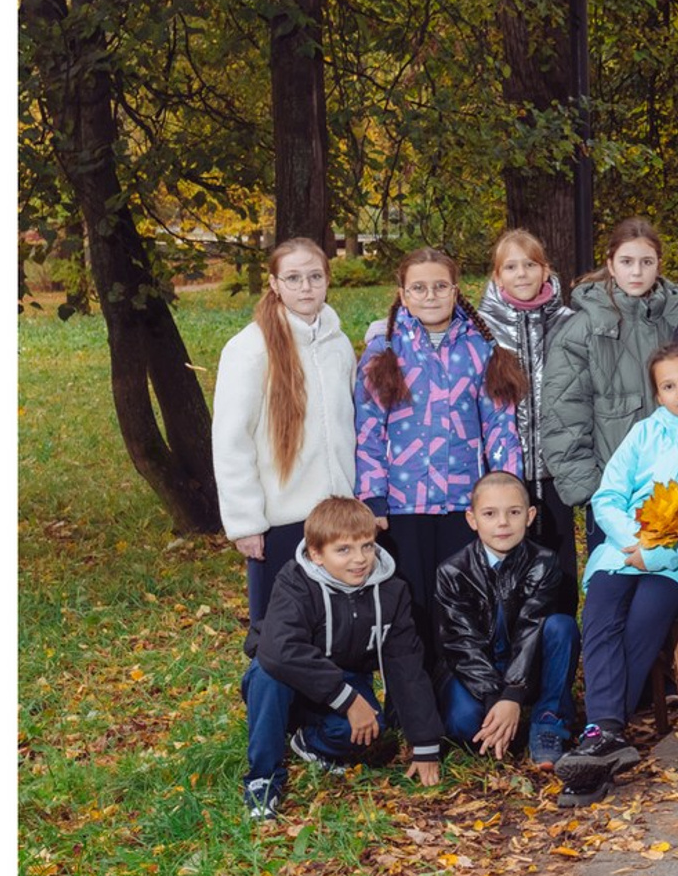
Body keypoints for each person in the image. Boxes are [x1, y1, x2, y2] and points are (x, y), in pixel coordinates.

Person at [244, 489, 444, 824]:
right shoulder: (295, 581)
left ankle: (310, 741)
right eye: (344, 550)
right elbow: (280, 650)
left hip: (344, 680)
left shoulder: (392, 591)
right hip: (288, 683)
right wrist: (349, 700)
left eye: (367, 545)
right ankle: (263, 778)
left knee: (373, 730)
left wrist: (425, 743)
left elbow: (406, 664)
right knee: (267, 671)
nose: (360, 559)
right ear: (317, 554)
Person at [354, 243, 528, 610]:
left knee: (460, 603)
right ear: (403, 294)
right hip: (403, 504)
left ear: (455, 291)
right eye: (419, 288)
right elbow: (368, 433)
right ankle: (413, 670)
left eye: (440, 286)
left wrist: (507, 492)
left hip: (463, 503)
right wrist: (373, 498)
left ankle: (458, 669)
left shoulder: (481, 350)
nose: (430, 295)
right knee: (410, 602)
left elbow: (500, 428)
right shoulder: (383, 352)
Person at [214, 236, 359, 643]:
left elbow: (350, 426)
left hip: (336, 519)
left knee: (334, 632)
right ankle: (274, 708)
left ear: (328, 280)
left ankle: (335, 707)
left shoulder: (339, 345)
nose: (306, 287)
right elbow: (231, 440)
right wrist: (246, 522)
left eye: (314, 276)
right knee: (280, 638)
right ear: (275, 284)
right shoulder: (249, 348)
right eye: (293, 278)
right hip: (281, 520)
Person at [563, 335, 678, 792]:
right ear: (657, 393)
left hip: (669, 564)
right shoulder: (645, 433)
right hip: (621, 550)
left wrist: (656, 554)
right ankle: (608, 734)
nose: (677, 394)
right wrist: (633, 542)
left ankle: (601, 733)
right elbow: (608, 496)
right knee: (601, 617)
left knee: (642, 625)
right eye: (669, 386)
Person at [538, 214, 678, 556]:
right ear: (610, 265)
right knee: (617, 590)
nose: (636, 272)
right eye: (627, 261)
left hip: (673, 493)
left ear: (659, 265)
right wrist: (594, 493)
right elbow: (563, 418)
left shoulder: (674, 322)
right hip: (615, 496)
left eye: (646, 262)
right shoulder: (582, 331)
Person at [429, 467, 577, 772]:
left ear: (530, 515)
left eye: (513, 512)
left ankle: (548, 723)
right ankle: (501, 721)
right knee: (463, 725)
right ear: (472, 519)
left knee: (561, 626)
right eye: (490, 514)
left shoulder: (545, 563)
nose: (502, 523)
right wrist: (497, 699)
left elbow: (531, 627)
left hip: (525, 664)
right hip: (474, 671)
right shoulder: (452, 571)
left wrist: (513, 693)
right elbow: (461, 645)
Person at [479, 226, 579, 560]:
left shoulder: (568, 323)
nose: (521, 273)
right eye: (511, 267)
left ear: (545, 270)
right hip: (504, 466)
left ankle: (559, 614)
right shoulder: (480, 327)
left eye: (530, 265)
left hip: (556, 464)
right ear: (498, 276)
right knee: (509, 560)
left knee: (557, 558)